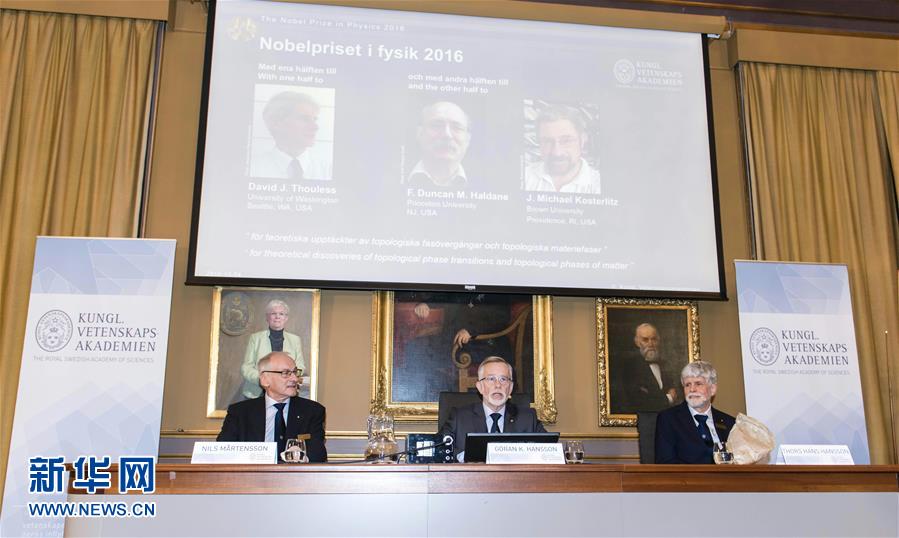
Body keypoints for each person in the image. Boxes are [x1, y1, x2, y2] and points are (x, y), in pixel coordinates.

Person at [218, 352, 327, 462]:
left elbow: (319, 454)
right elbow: (222, 453)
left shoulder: (312, 411)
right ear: (265, 379)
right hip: (251, 476)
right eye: (286, 373)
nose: (294, 378)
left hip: (295, 477)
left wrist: (303, 457)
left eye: (295, 372)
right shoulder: (239, 412)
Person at [439, 356, 546, 461]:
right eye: (491, 379)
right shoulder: (459, 417)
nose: (498, 385)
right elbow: (438, 450)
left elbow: (550, 451)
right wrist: (466, 457)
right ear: (480, 387)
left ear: (511, 388)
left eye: (503, 379)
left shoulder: (528, 418)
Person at [654, 361, 736, 464]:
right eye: (687, 385)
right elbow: (665, 463)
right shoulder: (669, 419)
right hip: (686, 479)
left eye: (698, 383)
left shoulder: (730, 423)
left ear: (713, 389)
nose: (692, 389)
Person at [250, 90, 332, 180]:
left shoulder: (328, 170)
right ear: (276, 123)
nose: (315, 127)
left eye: (315, 119)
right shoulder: (253, 168)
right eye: (304, 119)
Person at [524, 105, 600, 194]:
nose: (557, 152)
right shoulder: (524, 176)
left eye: (566, 141)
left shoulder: (599, 185)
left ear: (582, 140)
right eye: (547, 141)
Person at [241, 299, 306, 399]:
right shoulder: (255, 338)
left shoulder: (295, 340)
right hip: (257, 393)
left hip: (286, 392)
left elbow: (300, 366)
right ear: (267, 317)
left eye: (281, 314)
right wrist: (262, 380)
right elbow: (246, 367)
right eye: (273, 313)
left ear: (286, 318)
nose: (277, 317)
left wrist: (290, 377)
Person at [611, 323, 681, 414]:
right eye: (645, 340)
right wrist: (669, 398)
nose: (650, 344)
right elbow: (639, 402)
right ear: (637, 342)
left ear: (658, 341)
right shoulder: (629, 367)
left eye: (654, 339)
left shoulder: (666, 366)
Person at [406, 101, 471, 189]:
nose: (447, 134)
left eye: (457, 128)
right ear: (419, 133)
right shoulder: (391, 178)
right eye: (437, 125)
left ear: (467, 139)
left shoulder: (485, 184)